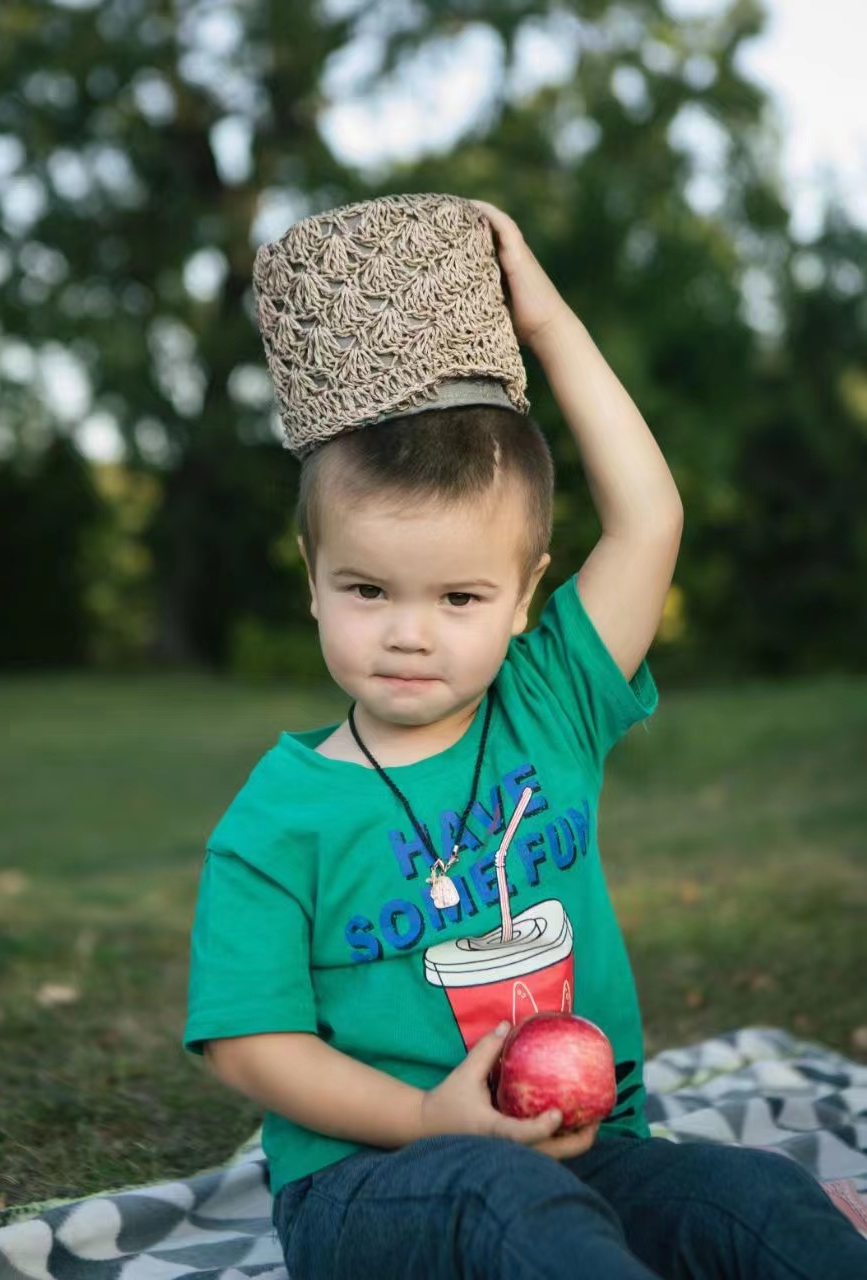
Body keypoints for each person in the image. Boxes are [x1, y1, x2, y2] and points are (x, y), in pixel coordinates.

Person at [184, 198, 867, 1279]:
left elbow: (649, 519)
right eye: (367, 587)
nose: (408, 632)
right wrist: (426, 1117)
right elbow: (248, 1040)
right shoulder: (277, 817)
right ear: (312, 580)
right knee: (511, 1208)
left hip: (591, 1152)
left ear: (522, 598)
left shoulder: (551, 706)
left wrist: (546, 322)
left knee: (758, 1202)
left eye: (459, 595)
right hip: (375, 1182)